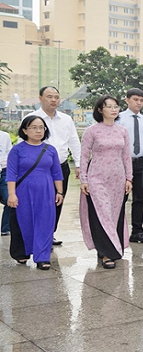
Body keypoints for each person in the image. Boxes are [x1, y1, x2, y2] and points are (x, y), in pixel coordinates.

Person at [79, 95, 133, 270]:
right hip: (97, 177)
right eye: (109, 106)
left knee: (114, 213)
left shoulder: (122, 131)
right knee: (102, 211)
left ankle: (110, 247)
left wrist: (129, 178)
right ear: (100, 110)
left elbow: (126, 157)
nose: (113, 109)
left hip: (117, 178)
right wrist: (84, 179)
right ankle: (106, 253)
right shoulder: (92, 131)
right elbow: (84, 156)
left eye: (116, 106)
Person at [26, 86, 81, 246]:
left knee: (57, 201)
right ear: (40, 98)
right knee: (40, 202)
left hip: (61, 167)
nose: (53, 100)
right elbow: (24, 144)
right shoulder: (32, 118)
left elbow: (74, 142)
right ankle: (38, 235)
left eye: (56, 97)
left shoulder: (66, 119)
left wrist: (78, 164)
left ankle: (49, 234)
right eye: (49, 96)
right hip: (39, 170)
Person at [7, 116, 63, 269]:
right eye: (34, 127)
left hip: (46, 190)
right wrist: (12, 194)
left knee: (45, 222)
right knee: (25, 221)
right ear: (24, 130)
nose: (38, 130)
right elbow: (11, 173)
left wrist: (60, 192)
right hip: (24, 191)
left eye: (41, 127)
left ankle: (42, 257)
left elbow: (57, 173)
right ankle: (25, 251)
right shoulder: (17, 150)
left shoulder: (50, 150)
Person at [118, 88, 143, 244]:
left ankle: (137, 232)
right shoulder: (118, 119)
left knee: (140, 199)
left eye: (141, 100)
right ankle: (117, 231)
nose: (138, 103)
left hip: (141, 163)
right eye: (135, 100)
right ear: (127, 100)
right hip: (121, 163)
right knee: (120, 199)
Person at [0, 117, 12, 236]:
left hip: (4, 172)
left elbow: (9, 154)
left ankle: (5, 228)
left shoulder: (5, 136)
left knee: (10, 199)